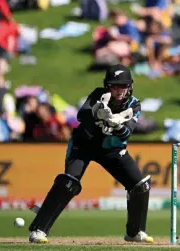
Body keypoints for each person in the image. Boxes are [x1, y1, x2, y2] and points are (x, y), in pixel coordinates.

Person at [28, 64, 153, 244]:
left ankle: (134, 232)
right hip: (84, 146)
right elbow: (82, 115)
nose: (119, 90)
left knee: (140, 186)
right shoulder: (98, 95)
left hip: (112, 150)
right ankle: (38, 230)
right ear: (107, 86)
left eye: (123, 86)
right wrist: (98, 113)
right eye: (114, 86)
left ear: (130, 86)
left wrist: (117, 125)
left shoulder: (134, 104)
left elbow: (127, 132)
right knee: (69, 183)